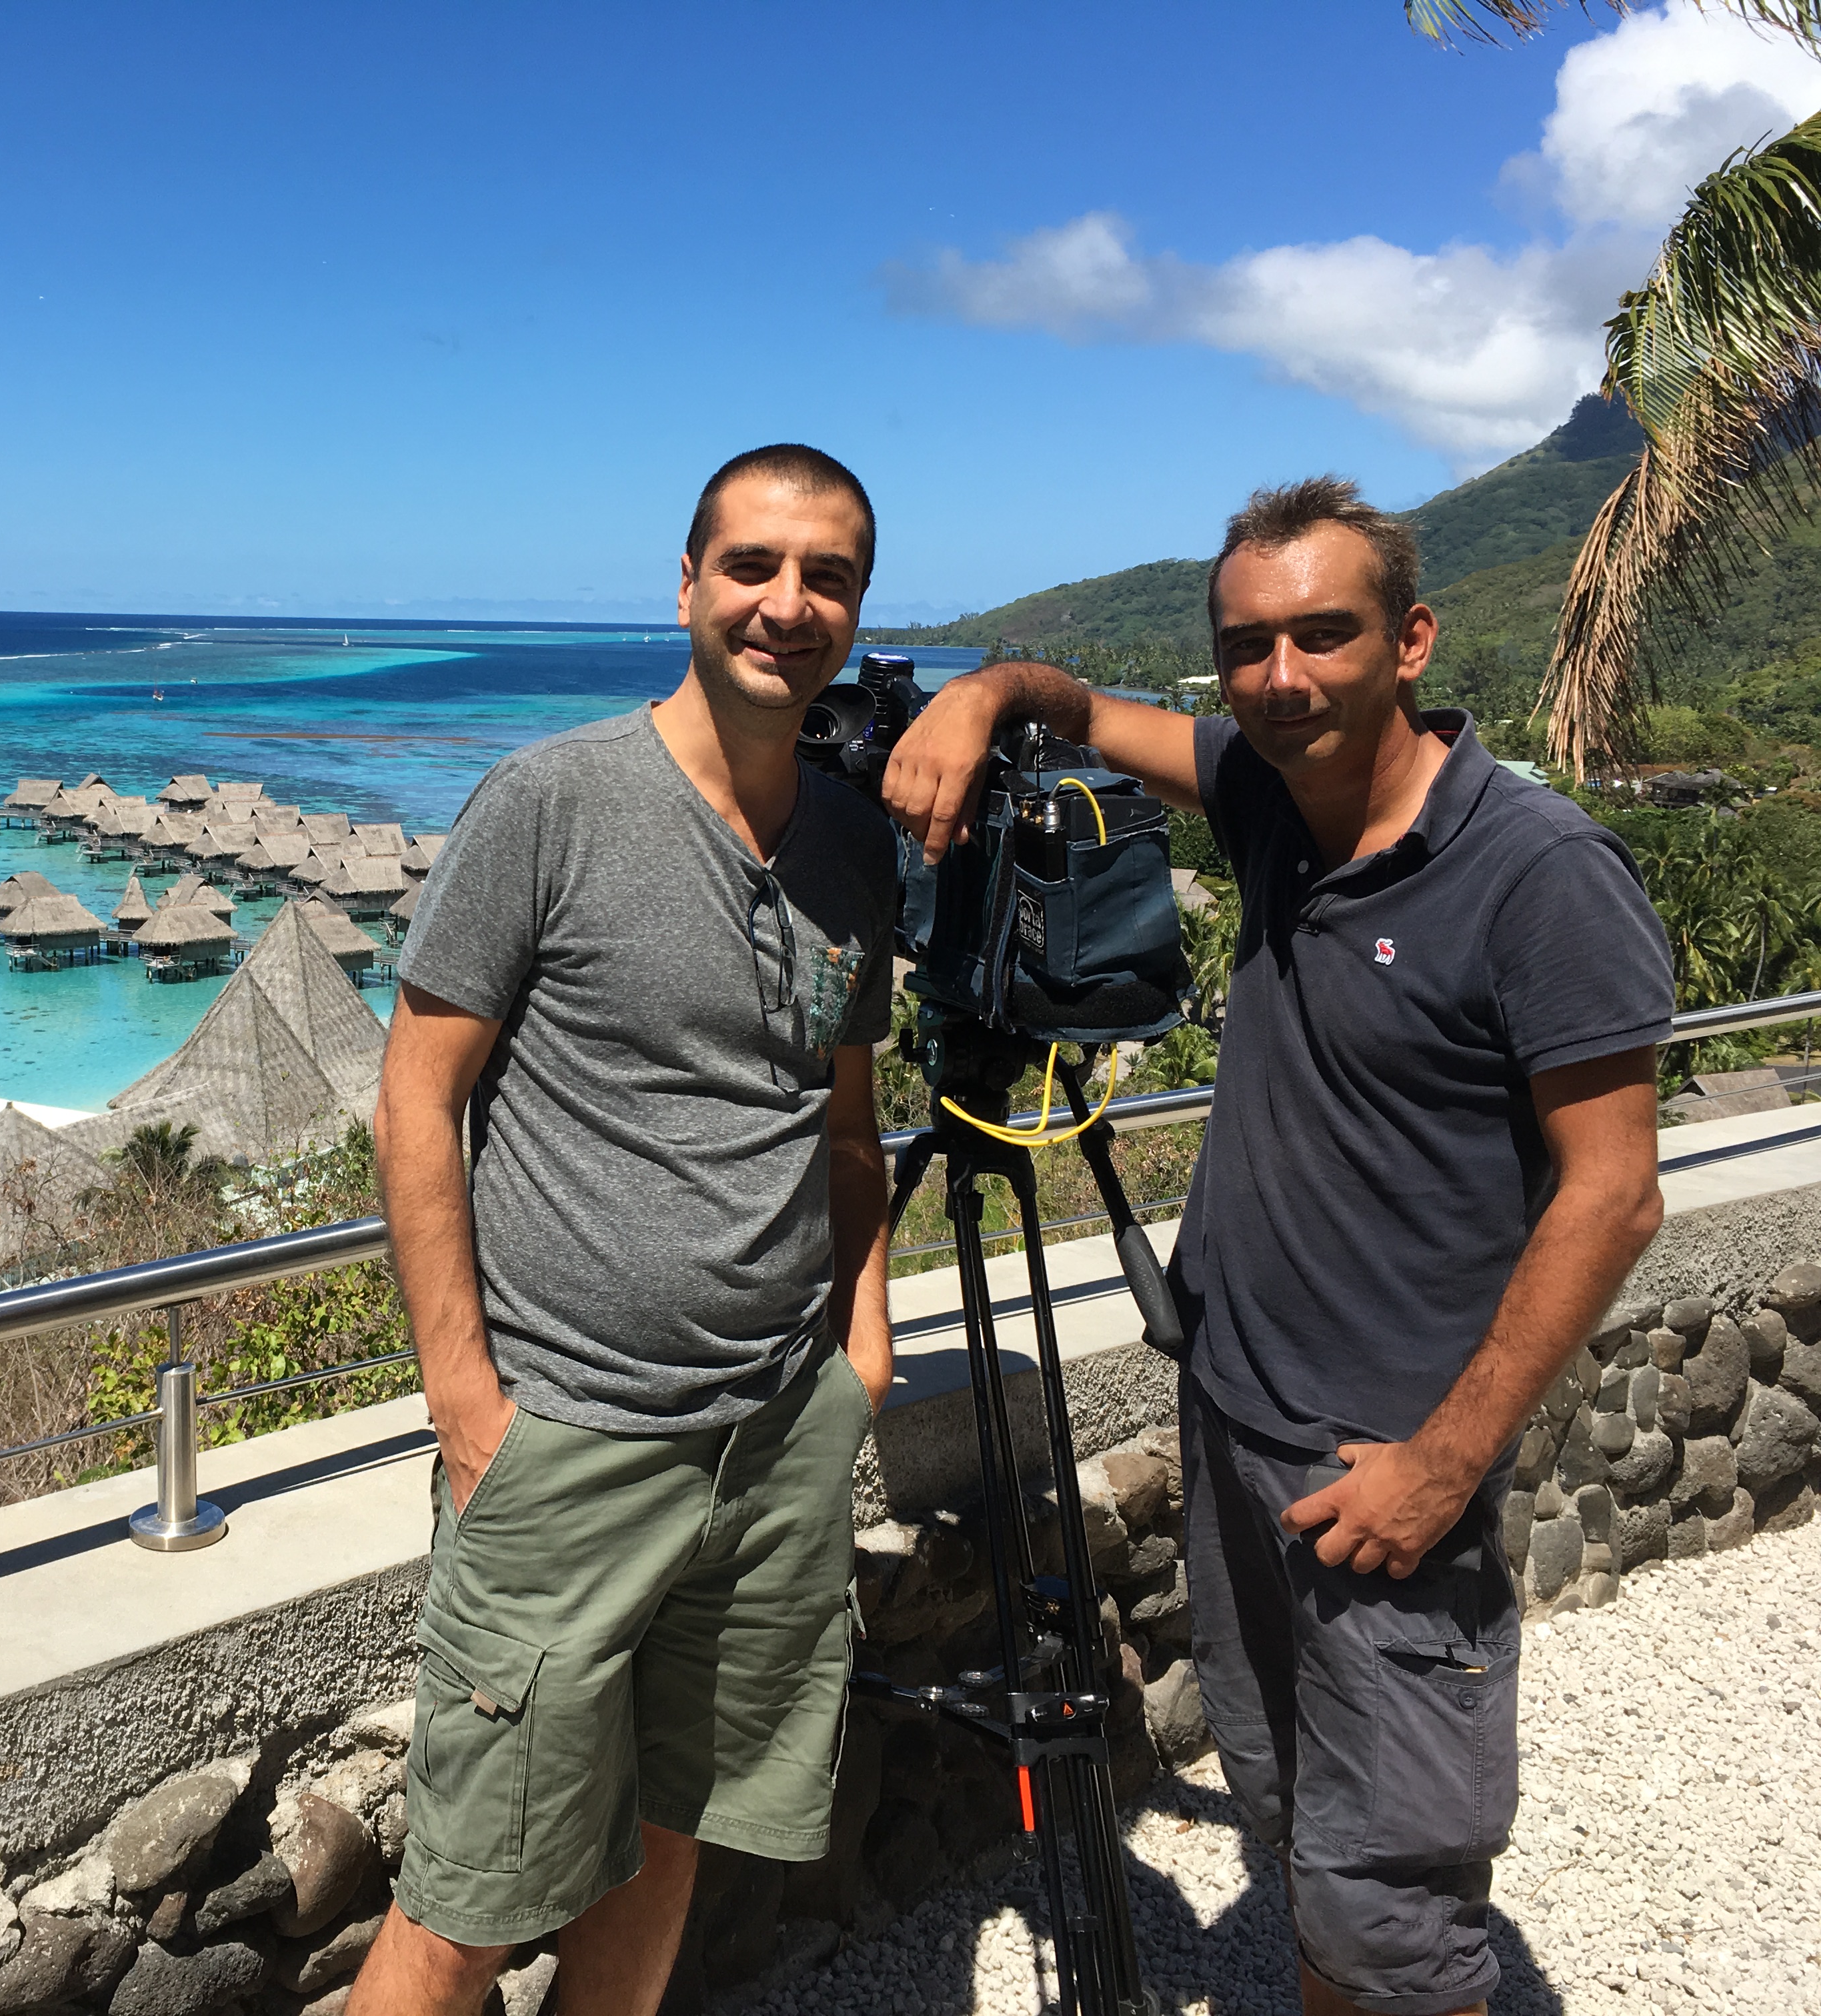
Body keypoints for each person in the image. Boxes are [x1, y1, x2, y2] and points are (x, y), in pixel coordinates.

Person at [882, 475, 1672, 2016]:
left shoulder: (1537, 871)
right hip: (1233, 1414)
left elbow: (1615, 1194)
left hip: (1384, 1452)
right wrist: (984, 694)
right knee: (1301, 1825)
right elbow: (1076, 703)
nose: (1287, 675)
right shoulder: (1264, 796)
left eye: (1326, 633)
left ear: (1414, 640)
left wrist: (1446, 1464)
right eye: (1251, 646)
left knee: (1396, 1913)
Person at [349, 445, 903, 2016]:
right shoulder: (552, 802)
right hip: (569, 1440)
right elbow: (417, 1098)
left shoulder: (854, 849)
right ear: (685, 584)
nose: (787, 605)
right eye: (752, 567)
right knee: (461, 1905)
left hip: (778, 1434)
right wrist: (468, 1409)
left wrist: (860, 1348)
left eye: (828, 578)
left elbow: (843, 1126)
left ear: (857, 607)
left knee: (677, 1834)